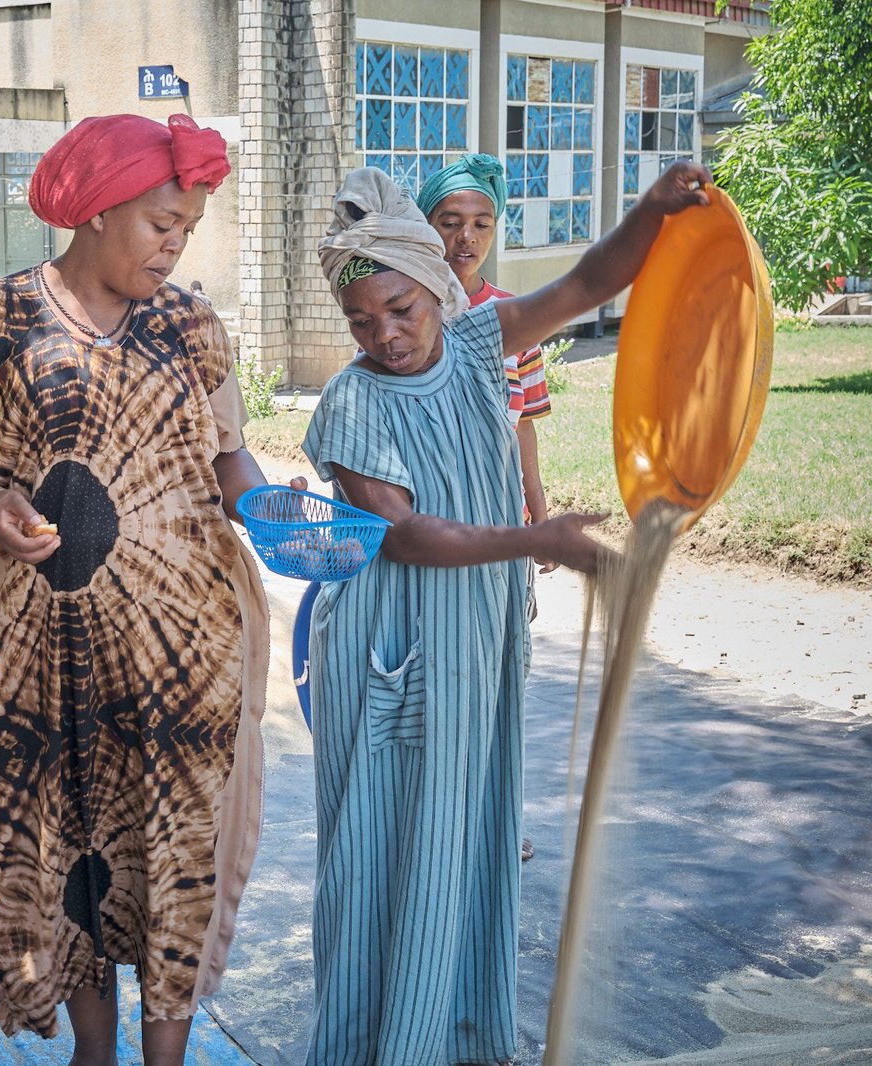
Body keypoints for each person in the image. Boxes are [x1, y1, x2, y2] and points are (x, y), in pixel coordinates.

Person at [0, 113, 299, 1065]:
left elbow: (229, 460)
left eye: (188, 228)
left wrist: (280, 513)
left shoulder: (192, 327)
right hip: (31, 665)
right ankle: (96, 1050)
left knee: (173, 851)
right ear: (96, 210)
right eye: (162, 221)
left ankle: (165, 1058)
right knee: (69, 849)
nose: (175, 244)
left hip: (178, 660)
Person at [302, 161, 711, 1065]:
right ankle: (379, 1046)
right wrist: (537, 539)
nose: (385, 334)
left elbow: (588, 283)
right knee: (384, 851)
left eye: (401, 309)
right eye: (361, 321)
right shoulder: (351, 401)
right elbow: (404, 537)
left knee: (468, 834)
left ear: (438, 290)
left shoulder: (483, 344)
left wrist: (650, 208)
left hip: (475, 643)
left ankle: (456, 1035)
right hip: (393, 651)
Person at [417, 154, 555, 566]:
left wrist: (540, 517)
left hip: (503, 520)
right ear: (426, 226)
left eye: (482, 224)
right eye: (450, 223)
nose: (467, 237)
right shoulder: (401, 313)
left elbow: (523, 424)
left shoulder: (515, 316)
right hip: (427, 528)